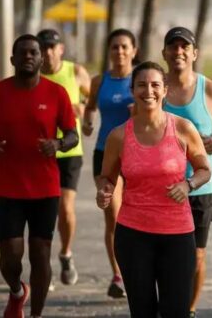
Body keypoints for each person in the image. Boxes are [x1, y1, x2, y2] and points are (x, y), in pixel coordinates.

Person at [96, 61, 211, 317]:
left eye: (155, 85)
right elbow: (107, 178)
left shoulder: (183, 128)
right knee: (142, 311)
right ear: (132, 90)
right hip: (133, 235)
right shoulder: (118, 136)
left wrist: (188, 184)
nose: (148, 91)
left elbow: (204, 169)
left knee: (177, 311)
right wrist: (104, 191)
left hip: (177, 235)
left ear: (165, 90)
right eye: (141, 85)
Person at [0, 34, 78, 318]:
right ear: (13, 59)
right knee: (10, 257)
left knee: (40, 253)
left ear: (41, 59)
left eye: (34, 52)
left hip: (45, 187)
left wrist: (58, 144)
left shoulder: (57, 94)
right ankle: (17, 291)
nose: (29, 57)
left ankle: (36, 315)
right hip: (8, 187)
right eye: (23, 53)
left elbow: (72, 135)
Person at [161, 26, 212, 316]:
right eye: (173, 47)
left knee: (196, 255)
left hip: (201, 186)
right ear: (164, 53)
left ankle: (190, 309)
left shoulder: (210, 90)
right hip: (161, 187)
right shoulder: (156, 88)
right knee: (165, 255)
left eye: (184, 47)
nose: (179, 52)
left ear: (194, 53)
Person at [82, 28, 137, 298]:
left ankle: (138, 268)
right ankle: (118, 275)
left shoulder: (141, 80)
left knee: (137, 214)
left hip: (138, 155)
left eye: (125, 46)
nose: (120, 52)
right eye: (115, 47)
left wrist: (138, 112)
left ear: (134, 51)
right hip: (105, 154)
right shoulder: (98, 81)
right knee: (114, 215)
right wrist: (87, 123)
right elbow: (90, 106)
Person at [37, 28, 91, 287]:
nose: (48, 52)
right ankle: (43, 263)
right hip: (41, 151)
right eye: (43, 47)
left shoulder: (75, 72)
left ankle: (66, 253)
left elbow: (92, 100)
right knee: (43, 210)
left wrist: (84, 109)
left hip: (70, 150)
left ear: (60, 49)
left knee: (65, 208)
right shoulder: (32, 76)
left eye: (52, 47)